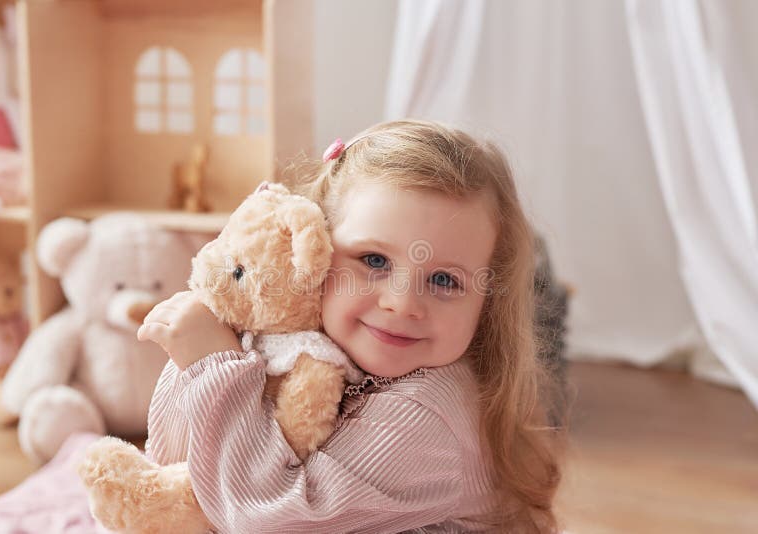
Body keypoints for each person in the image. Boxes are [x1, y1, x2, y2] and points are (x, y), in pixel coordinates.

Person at [138, 120, 565, 533]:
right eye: (374, 261)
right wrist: (208, 345)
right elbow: (176, 463)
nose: (401, 304)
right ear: (314, 248)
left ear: (487, 304)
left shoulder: (429, 410)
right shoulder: (304, 343)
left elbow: (266, 522)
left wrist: (214, 365)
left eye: (444, 280)